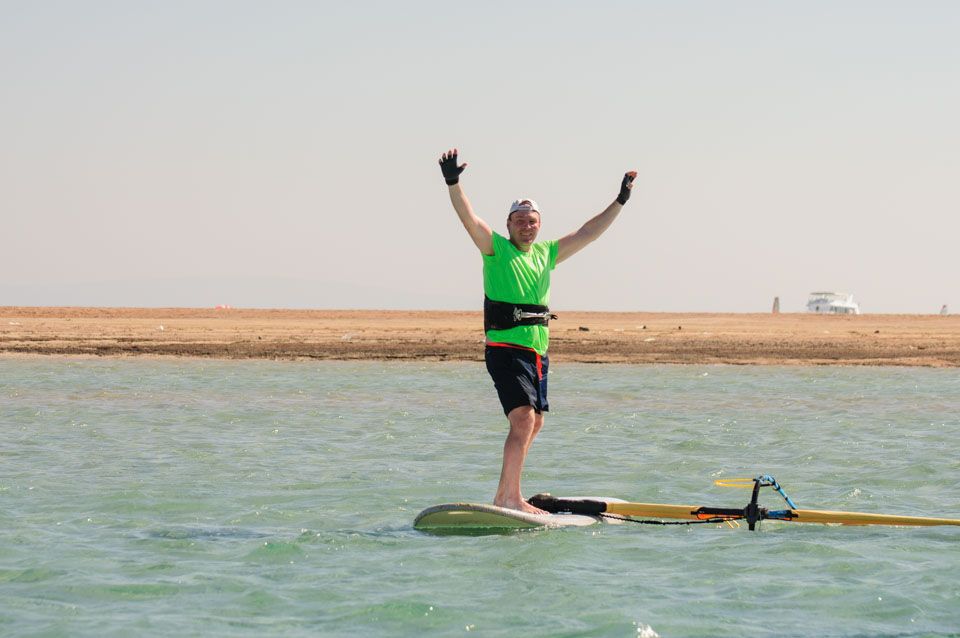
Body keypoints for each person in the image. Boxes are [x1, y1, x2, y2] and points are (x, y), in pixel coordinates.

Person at [439, 148, 637, 514]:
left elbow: (589, 232)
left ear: (539, 225)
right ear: (509, 224)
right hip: (505, 348)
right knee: (523, 419)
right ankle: (510, 497)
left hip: (537, 353)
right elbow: (469, 219)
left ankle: (506, 493)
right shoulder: (496, 249)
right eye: (520, 221)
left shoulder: (546, 254)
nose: (526, 226)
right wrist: (453, 182)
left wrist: (620, 200)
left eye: (532, 221)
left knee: (536, 423)